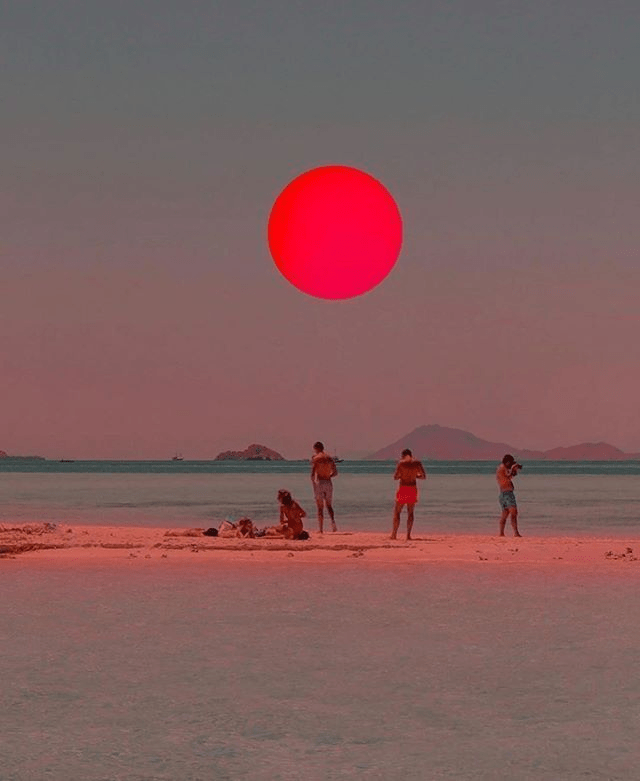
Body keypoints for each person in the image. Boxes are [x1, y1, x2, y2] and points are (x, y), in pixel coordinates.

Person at [391, 449, 426, 541]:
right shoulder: (417, 464)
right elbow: (423, 476)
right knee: (410, 513)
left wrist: (402, 475)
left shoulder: (401, 464)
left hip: (403, 488)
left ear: (403, 456)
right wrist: (415, 476)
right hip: (412, 488)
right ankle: (408, 535)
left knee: (397, 512)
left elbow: (395, 477)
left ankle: (394, 534)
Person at [310, 441, 338, 533]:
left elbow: (312, 474)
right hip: (328, 482)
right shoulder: (329, 458)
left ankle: (321, 529)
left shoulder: (316, 458)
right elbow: (335, 473)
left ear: (316, 448)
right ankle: (333, 523)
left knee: (320, 507)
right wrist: (328, 476)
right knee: (329, 505)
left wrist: (314, 484)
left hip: (320, 482)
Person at [496, 454, 522, 537]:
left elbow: (508, 476)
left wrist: (514, 471)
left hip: (504, 493)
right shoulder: (502, 468)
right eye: (510, 463)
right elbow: (508, 475)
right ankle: (516, 533)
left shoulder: (502, 468)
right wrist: (513, 468)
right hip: (507, 493)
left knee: (505, 513)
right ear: (507, 462)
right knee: (513, 512)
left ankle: (501, 533)